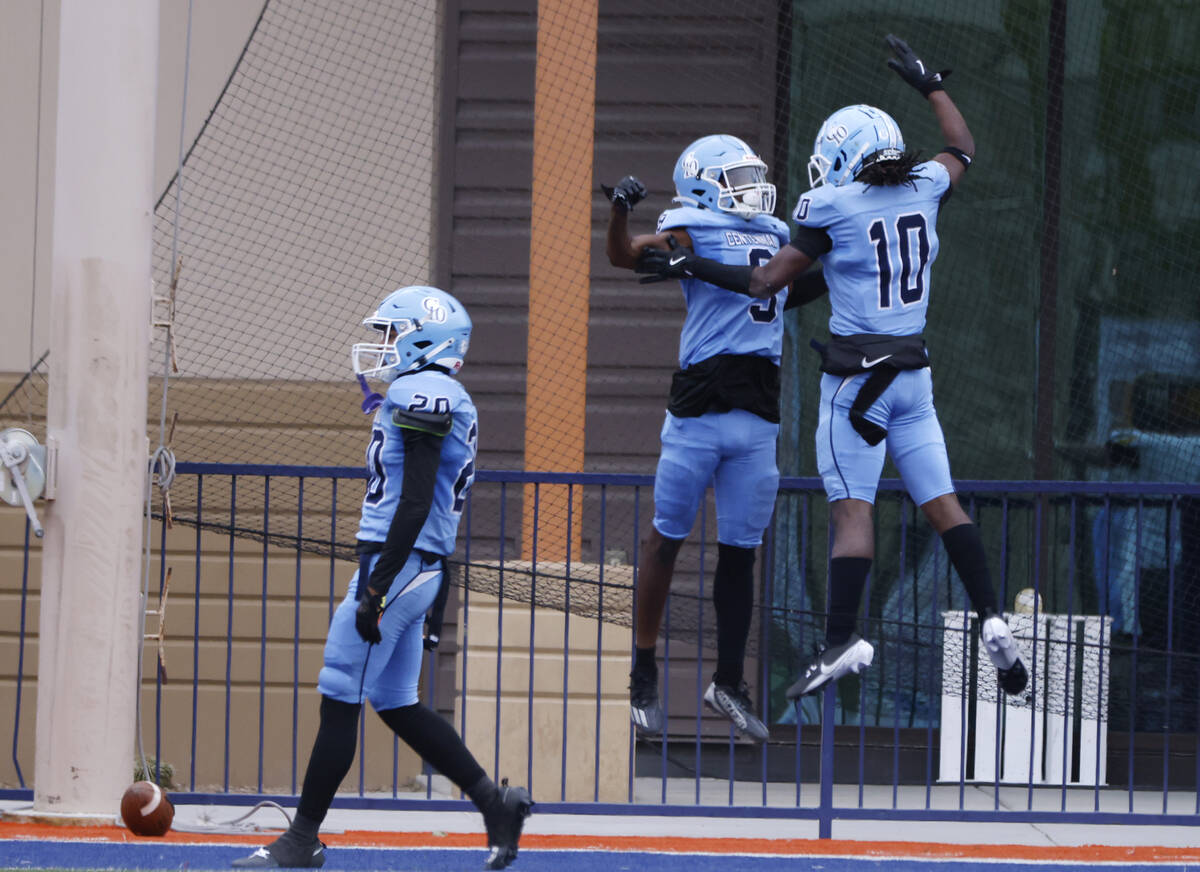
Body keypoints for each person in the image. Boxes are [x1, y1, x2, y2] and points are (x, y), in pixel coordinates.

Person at [636, 36, 1029, 701]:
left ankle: (841, 638)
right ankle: (993, 613)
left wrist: (691, 263)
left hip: (857, 384)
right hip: (915, 378)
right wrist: (931, 85)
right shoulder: (928, 187)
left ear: (844, 160)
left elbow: (766, 283)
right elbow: (961, 147)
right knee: (944, 503)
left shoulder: (833, 208)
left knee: (852, 512)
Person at [234, 286, 532, 869]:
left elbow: (417, 500)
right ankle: (496, 804)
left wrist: (375, 588)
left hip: (400, 566)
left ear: (427, 337)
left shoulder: (426, 389)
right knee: (396, 702)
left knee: (340, 687)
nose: (384, 347)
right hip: (418, 567)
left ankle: (302, 839)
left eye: (394, 334)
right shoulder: (434, 391)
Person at [603, 136, 828, 741]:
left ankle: (728, 680)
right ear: (702, 185)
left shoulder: (776, 232)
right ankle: (643, 672)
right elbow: (625, 257)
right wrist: (620, 211)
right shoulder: (689, 228)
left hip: (756, 412)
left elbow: (801, 286)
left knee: (739, 552)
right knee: (665, 541)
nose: (751, 187)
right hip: (700, 408)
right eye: (736, 178)